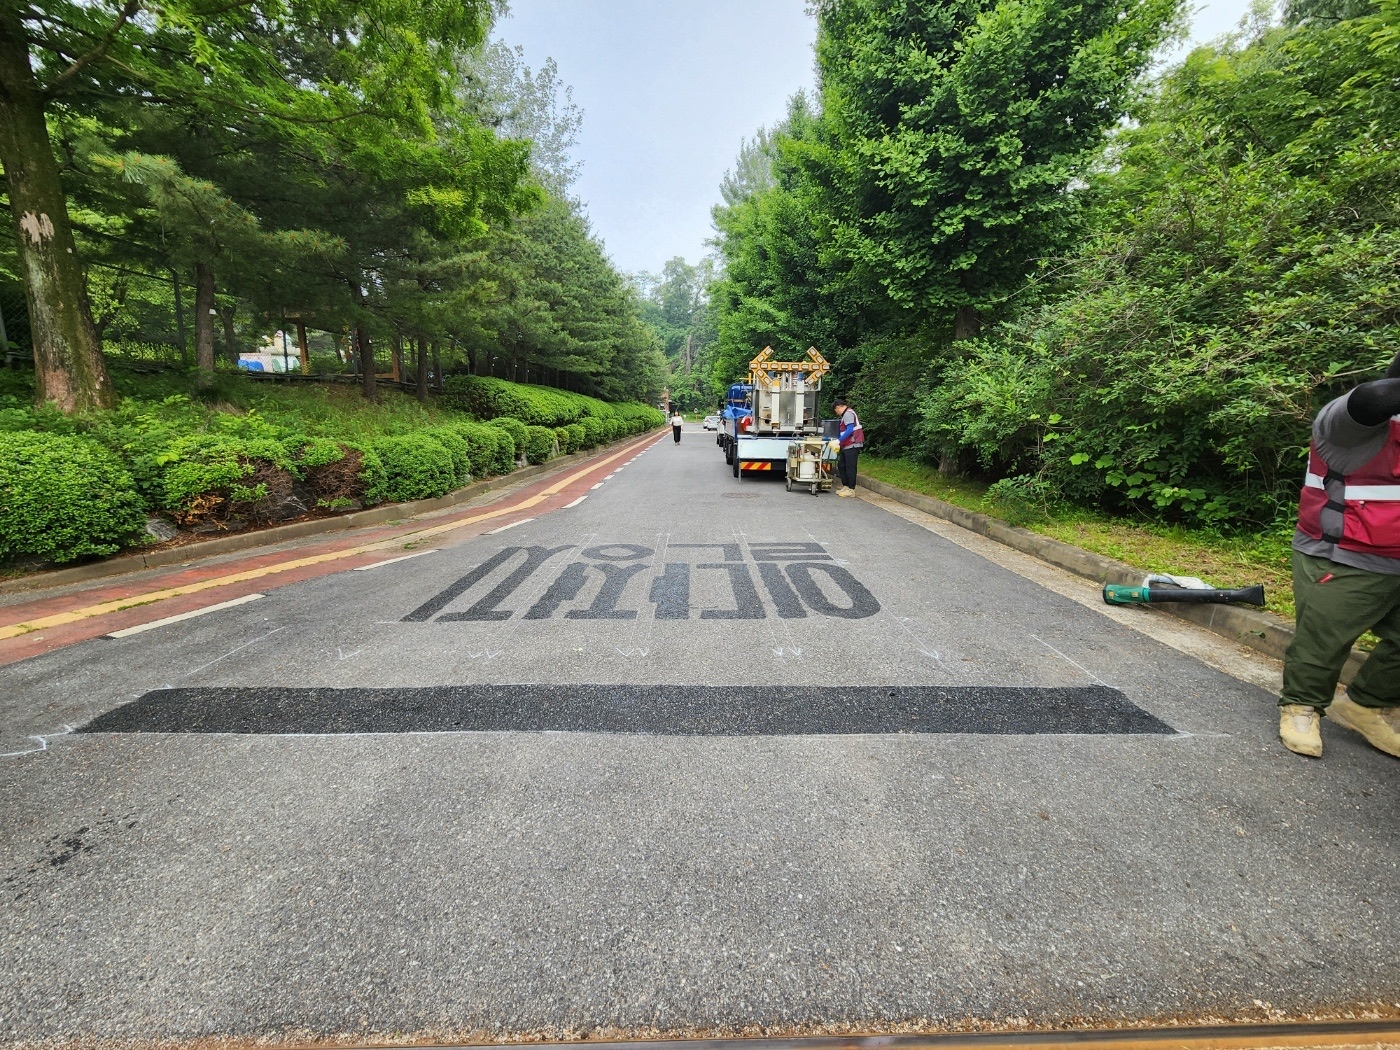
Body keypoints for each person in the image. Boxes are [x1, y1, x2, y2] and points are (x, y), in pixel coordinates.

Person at [1279, 350, 1400, 758]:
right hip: (1344, 553)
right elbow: (1372, 399)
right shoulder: (1350, 425)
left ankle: (1368, 705)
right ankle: (1302, 705)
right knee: (1324, 639)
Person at [831, 396, 864, 497]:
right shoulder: (847, 414)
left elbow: (850, 429)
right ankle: (846, 486)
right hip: (847, 444)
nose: (837, 413)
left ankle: (851, 489)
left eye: (836, 411)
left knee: (850, 466)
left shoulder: (848, 414)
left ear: (838, 408)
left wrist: (838, 441)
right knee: (842, 465)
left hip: (852, 444)